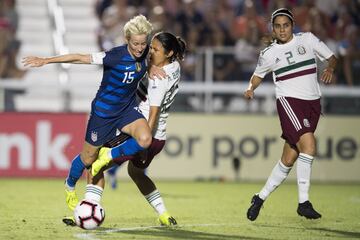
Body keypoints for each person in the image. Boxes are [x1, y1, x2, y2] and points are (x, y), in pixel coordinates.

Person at [22, 15, 164, 211]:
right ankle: (70, 185)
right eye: (135, 43)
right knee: (87, 159)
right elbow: (80, 57)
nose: (140, 48)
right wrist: (46, 60)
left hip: (127, 111)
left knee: (145, 139)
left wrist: (153, 67)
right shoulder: (114, 56)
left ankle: (108, 156)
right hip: (103, 114)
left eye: (143, 43)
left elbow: (151, 60)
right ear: (127, 40)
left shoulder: (146, 53)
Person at [80, 31, 186, 227]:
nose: (150, 52)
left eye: (155, 49)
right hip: (159, 138)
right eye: (151, 47)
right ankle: (164, 214)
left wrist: (143, 145)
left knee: (93, 163)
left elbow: (152, 115)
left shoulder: (158, 80)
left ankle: (88, 210)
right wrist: (150, 66)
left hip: (143, 134)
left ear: (169, 52)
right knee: (136, 173)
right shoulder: (174, 67)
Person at [244, 8, 337, 221]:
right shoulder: (269, 53)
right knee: (310, 146)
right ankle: (303, 202)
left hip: (313, 104)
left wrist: (330, 68)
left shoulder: (308, 40)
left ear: (292, 26)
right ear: (273, 29)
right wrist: (250, 89)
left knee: (288, 158)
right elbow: (257, 76)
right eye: (278, 26)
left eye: (286, 25)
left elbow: (332, 58)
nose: (282, 29)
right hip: (289, 103)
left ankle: (259, 198)